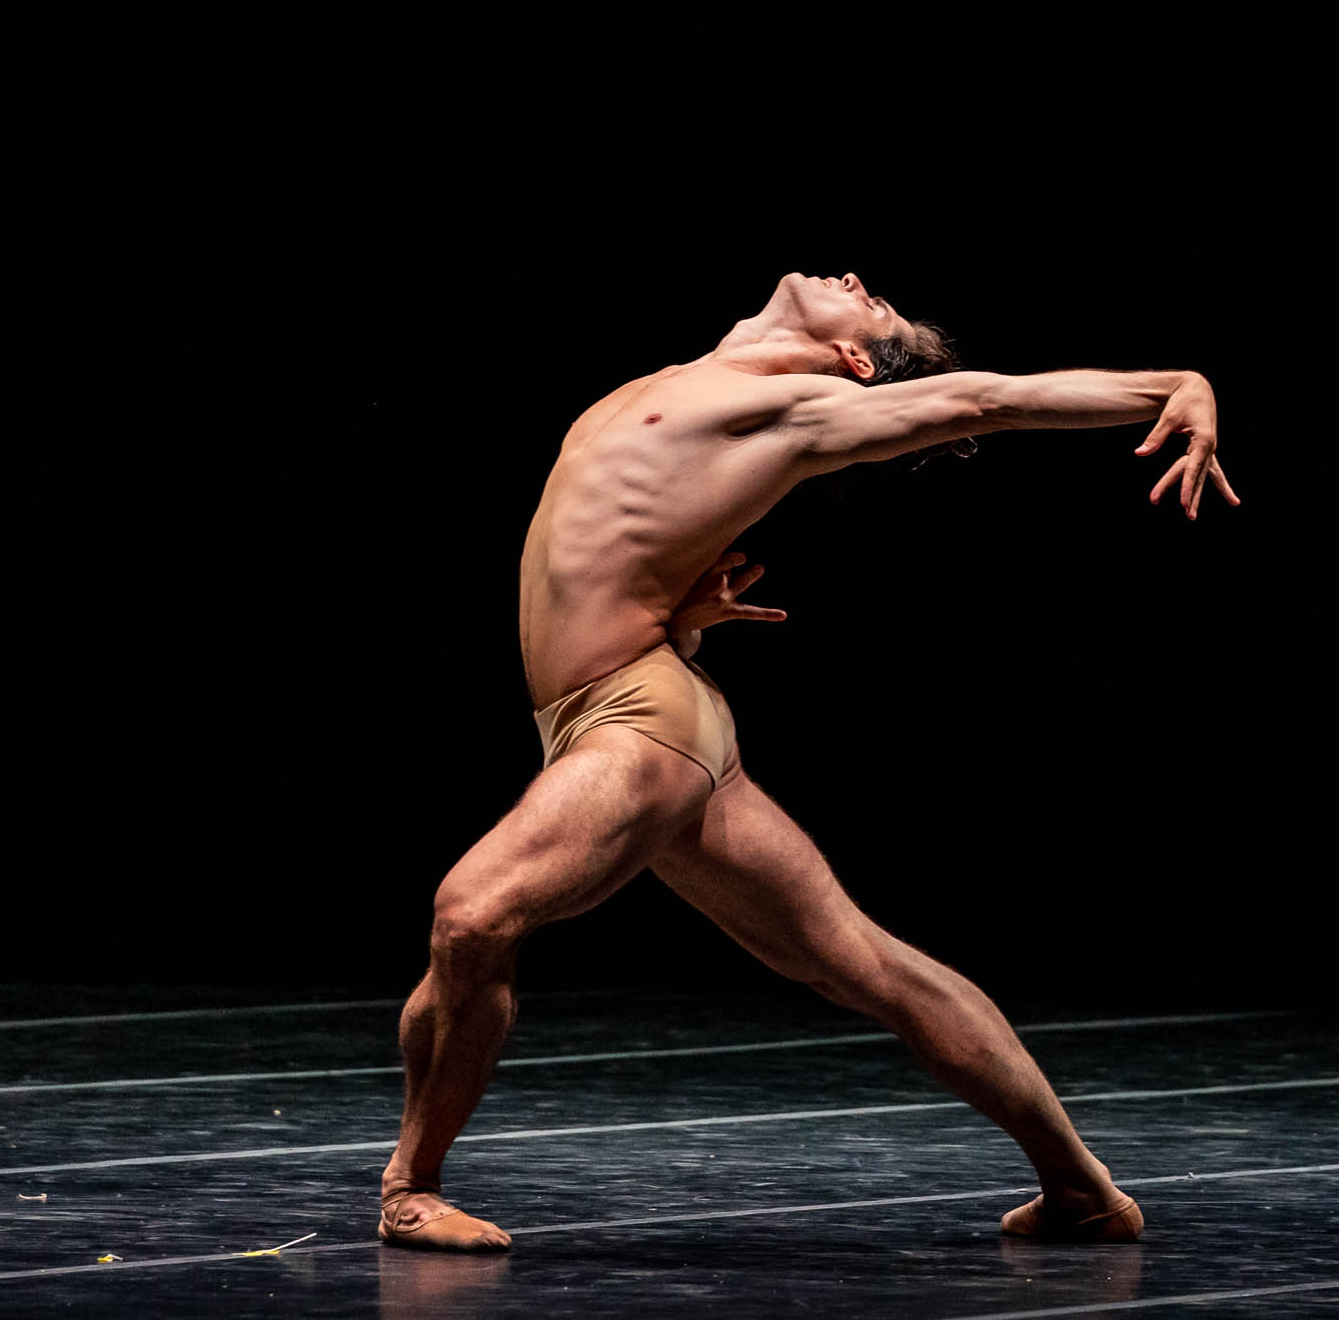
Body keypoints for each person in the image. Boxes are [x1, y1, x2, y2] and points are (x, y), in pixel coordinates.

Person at [378, 272, 1239, 1251]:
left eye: (873, 308)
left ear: (853, 362)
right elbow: (619, 533)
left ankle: (412, 1184)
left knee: (471, 915)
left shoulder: (800, 406)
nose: (856, 282)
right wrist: (680, 620)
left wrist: (1171, 381)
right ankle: (1080, 1190)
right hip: (632, 703)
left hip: (638, 720)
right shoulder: (691, 379)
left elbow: (981, 399)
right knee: (865, 964)